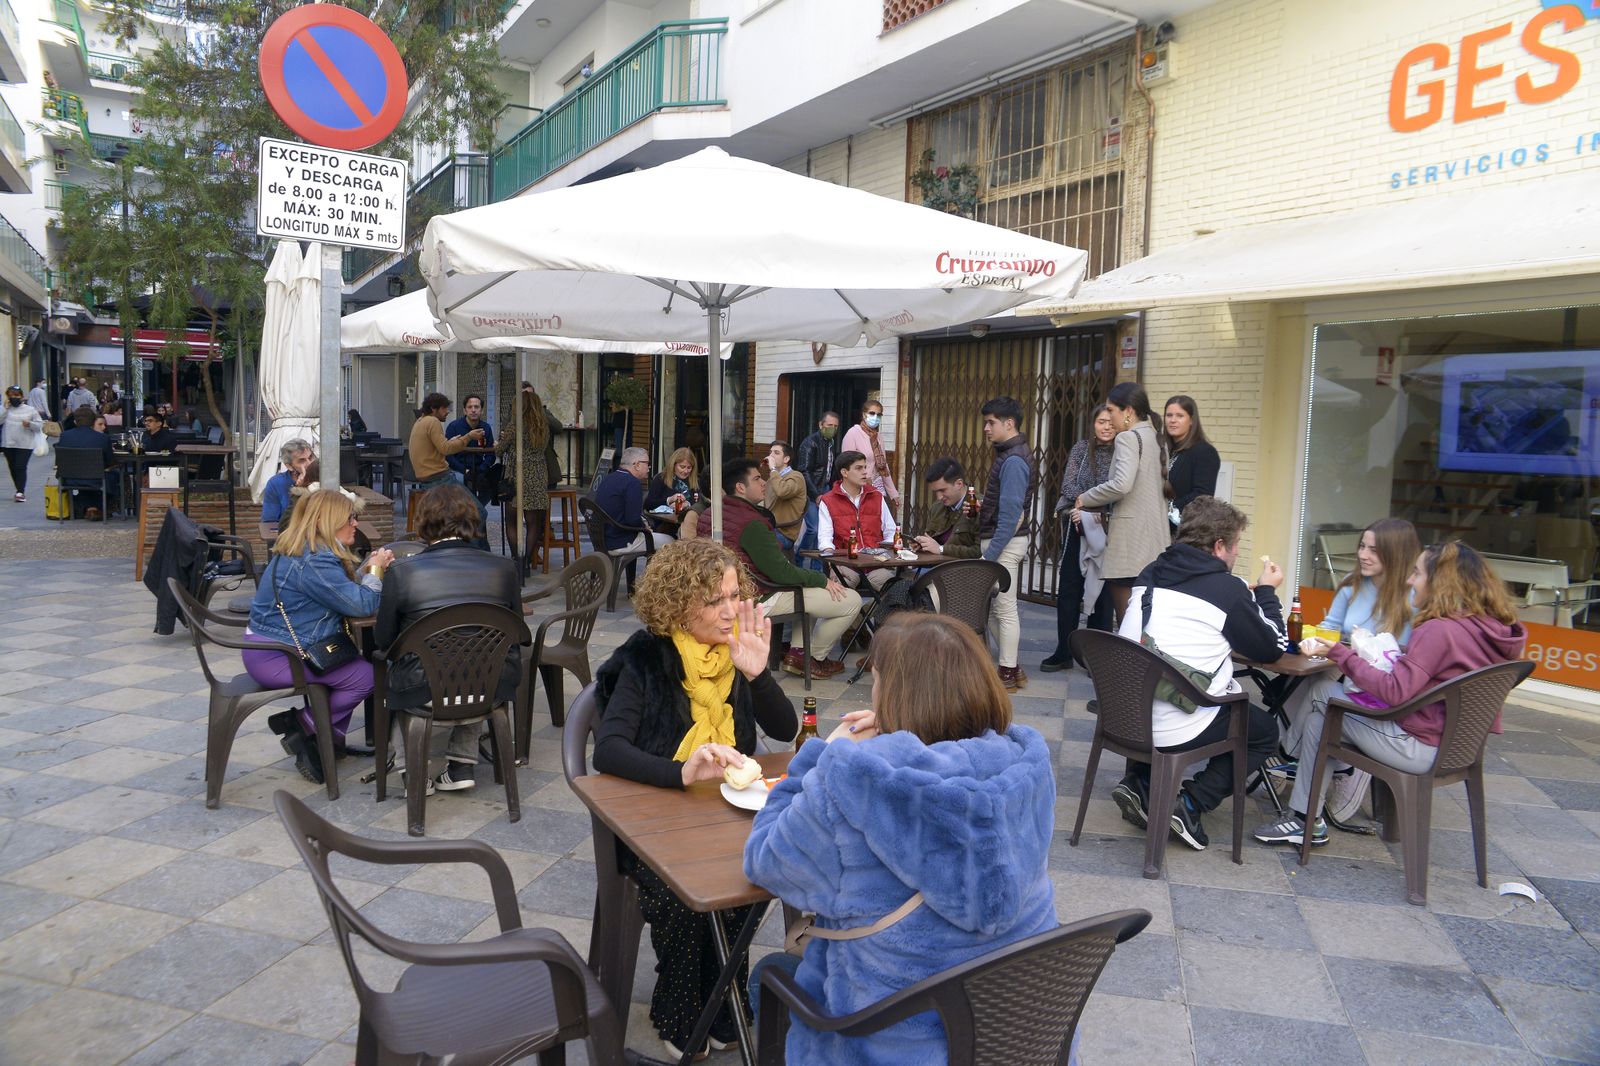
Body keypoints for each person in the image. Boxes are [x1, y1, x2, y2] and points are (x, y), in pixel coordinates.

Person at [744, 612, 1059, 1066]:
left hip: (886, 1045)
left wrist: (825, 755)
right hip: (1016, 1041)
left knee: (768, 975)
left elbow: (764, 858)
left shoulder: (852, 782)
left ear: (893, 692)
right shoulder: (1026, 770)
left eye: (876, 682)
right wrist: (902, 736)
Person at [592, 539, 797, 1059]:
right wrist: (681, 773)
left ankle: (725, 1003)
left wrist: (757, 671)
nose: (730, 611)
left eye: (734, 595)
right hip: (654, 818)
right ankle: (681, 1009)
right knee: (682, 898)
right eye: (713, 601)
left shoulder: (736, 654)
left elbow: (785, 728)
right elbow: (609, 751)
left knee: (750, 883)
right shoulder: (646, 657)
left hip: (726, 809)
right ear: (678, 604)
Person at [1256, 541, 1527, 849]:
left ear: (1440, 582)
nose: (1411, 580)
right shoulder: (1493, 629)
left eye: (1417, 573)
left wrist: (1341, 654)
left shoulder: (1440, 630)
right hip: (1459, 746)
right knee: (1321, 721)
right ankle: (1305, 820)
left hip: (1417, 745)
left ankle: (1284, 755)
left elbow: (1396, 692)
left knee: (1324, 693)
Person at [1113, 496, 1285, 852]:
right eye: (1236, 545)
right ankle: (1191, 803)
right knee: (1264, 732)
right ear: (1220, 546)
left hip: (1124, 717)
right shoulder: (1227, 589)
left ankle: (1140, 782)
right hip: (1176, 725)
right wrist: (1266, 593)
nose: (1237, 554)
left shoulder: (1150, 572)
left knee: (1158, 679)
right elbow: (1271, 648)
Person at [374, 483, 521, 795]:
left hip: (423, 689)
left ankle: (411, 772)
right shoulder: (505, 568)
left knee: (403, 667)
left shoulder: (402, 571)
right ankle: (461, 765)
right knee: (477, 654)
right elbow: (516, 631)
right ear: (471, 519)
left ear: (424, 521)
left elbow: (384, 639)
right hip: (490, 686)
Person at [1274, 518, 1422, 824]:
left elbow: (1407, 656)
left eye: (1375, 550)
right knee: (1304, 679)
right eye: (1362, 546)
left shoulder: (1413, 600)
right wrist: (1317, 641)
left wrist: (1346, 652)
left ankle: (1288, 755)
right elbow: (1330, 630)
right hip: (1345, 671)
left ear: (1396, 555)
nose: (1363, 555)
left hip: (1383, 688)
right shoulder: (1351, 587)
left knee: (1317, 687)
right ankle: (1301, 762)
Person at [242, 489, 394, 784]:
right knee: (369, 676)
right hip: (278, 655)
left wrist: (369, 568)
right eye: (350, 517)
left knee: (349, 660)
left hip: (271, 646)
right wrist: (376, 570)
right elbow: (361, 604)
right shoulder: (314, 560)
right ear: (328, 521)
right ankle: (305, 726)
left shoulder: (305, 549)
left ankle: (327, 744)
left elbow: (339, 591)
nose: (355, 524)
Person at [699, 458, 858, 680]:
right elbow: (780, 572)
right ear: (740, 487)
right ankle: (813, 658)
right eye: (757, 479)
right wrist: (821, 579)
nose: (764, 483)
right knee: (851, 601)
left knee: (811, 593)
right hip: (756, 597)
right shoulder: (751, 522)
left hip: (722, 594)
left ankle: (797, 653)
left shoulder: (710, 514)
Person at [1076, 382, 1170, 627]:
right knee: (1147, 622)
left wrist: (1086, 498)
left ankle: (1129, 667)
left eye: (1112, 410)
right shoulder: (1156, 437)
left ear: (1128, 411)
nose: (1109, 417)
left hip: (1130, 544)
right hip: (1155, 543)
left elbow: (1121, 484)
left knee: (1129, 622)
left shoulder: (1128, 438)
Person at [1042, 404, 1118, 672]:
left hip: (1106, 529)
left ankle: (1094, 658)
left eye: (1111, 422)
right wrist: (1087, 504)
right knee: (1069, 589)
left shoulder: (1123, 452)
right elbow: (1067, 485)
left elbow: (1120, 490)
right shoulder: (1081, 449)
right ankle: (1064, 650)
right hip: (1076, 527)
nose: (1106, 427)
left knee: (1101, 591)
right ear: (1093, 424)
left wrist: (1089, 505)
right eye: (1101, 422)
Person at [975, 396, 1037, 692]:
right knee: (993, 609)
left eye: (991, 423)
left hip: (1005, 544)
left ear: (1009, 424)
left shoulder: (1013, 459)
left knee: (1005, 608)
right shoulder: (1011, 455)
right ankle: (1013, 668)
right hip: (1003, 541)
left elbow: (1012, 515)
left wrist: (992, 555)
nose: (986, 428)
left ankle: (1008, 672)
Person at [408, 392, 487, 544]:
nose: (448, 411)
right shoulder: (433, 422)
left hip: (429, 478)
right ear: (434, 408)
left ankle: (479, 551)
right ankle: (474, 553)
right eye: (444, 408)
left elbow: (437, 447)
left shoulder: (420, 421)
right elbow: (445, 449)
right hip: (440, 478)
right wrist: (468, 437)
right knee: (478, 512)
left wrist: (454, 441)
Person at [815, 451, 898, 590]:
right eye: (859, 468)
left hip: (875, 563)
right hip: (845, 563)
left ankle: (872, 611)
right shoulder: (828, 500)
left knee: (894, 588)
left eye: (865, 467)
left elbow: (890, 531)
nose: (865, 472)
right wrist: (832, 563)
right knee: (841, 589)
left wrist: (889, 556)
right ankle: (853, 611)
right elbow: (825, 538)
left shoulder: (876, 496)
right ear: (844, 472)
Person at [493, 383, 552, 565]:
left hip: (516, 474)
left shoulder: (514, 426)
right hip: (538, 473)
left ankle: (516, 559)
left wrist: (499, 445)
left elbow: (499, 451)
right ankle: (526, 560)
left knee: (512, 520)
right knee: (533, 521)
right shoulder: (543, 427)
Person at [594, 446, 672, 555]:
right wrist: (645, 527)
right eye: (647, 463)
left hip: (603, 540)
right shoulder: (632, 483)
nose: (649, 467)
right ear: (637, 465)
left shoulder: (609, 478)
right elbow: (633, 520)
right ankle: (654, 572)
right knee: (671, 541)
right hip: (621, 542)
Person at [1164, 395, 1220, 520]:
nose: (1173, 420)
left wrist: (1168, 510)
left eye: (1180, 415)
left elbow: (1202, 495)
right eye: (1169, 415)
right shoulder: (1166, 450)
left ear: (1191, 420)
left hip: (1186, 530)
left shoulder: (1204, 452)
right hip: (1160, 527)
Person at [795, 411, 840, 570]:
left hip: (826, 489)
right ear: (821, 425)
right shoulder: (810, 443)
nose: (832, 429)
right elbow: (804, 470)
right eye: (829, 425)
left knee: (822, 530)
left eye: (835, 426)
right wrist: (816, 494)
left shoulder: (831, 443)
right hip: (811, 491)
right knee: (813, 528)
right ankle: (799, 558)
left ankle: (816, 568)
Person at [913, 457, 980, 559]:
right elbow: (931, 539)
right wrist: (921, 543)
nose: (939, 497)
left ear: (959, 484)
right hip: (934, 566)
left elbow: (980, 552)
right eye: (936, 492)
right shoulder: (937, 507)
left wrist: (941, 549)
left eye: (943, 490)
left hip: (964, 571)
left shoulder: (979, 506)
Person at [840, 398, 899, 513]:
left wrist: (893, 493)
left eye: (879, 414)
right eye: (872, 413)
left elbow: (883, 466)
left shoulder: (878, 437)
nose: (875, 417)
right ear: (864, 414)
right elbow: (846, 464)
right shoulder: (853, 434)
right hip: (859, 487)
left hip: (877, 486)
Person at [57, 405, 117, 518]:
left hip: (69, 478)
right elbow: (110, 462)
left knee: (86, 473)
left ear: (75, 421)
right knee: (113, 474)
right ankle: (98, 507)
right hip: (96, 478)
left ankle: (90, 508)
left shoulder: (65, 436)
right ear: (93, 421)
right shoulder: (102, 438)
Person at [645, 446, 702, 541]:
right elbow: (648, 504)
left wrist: (687, 504)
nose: (685, 471)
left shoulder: (696, 482)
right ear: (673, 464)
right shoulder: (661, 479)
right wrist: (668, 500)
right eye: (682, 467)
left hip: (689, 526)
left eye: (689, 468)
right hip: (665, 526)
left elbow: (700, 503)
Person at [445, 393, 496, 493]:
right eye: (470, 407)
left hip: (479, 469)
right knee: (460, 483)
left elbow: (491, 454)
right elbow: (448, 455)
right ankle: (473, 507)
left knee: (493, 485)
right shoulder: (454, 426)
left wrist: (481, 469)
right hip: (457, 469)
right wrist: (464, 470)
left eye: (476, 407)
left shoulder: (486, 428)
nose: (473, 410)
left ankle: (475, 507)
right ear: (465, 410)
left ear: (482, 411)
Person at [2, 385, 44, 503]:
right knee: (12, 467)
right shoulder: (6, 409)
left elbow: (39, 425)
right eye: (11, 396)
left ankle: (20, 491)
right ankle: (18, 488)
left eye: (16, 395)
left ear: (21, 396)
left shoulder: (30, 410)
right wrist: (5, 409)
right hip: (8, 444)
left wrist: (30, 424)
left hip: (25, 444)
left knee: (20, 466)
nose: (13, 398)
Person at [260, 439, 315, 526]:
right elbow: (269, 522)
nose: (309, 463)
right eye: (302, 460)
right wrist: (299, 489)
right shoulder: (276, 483)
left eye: (311, 457)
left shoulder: (323, 479)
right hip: (288, 535)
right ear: (289, 466)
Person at [762, 440, 805, 551]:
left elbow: (782, 491)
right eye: (770, 452)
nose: (771, 456)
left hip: (784, 533)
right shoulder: (773, 478)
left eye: (776, 453)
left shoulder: (796, 476)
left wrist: (772, 469)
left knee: (754, 542)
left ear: (786, 459)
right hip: (771, 528)